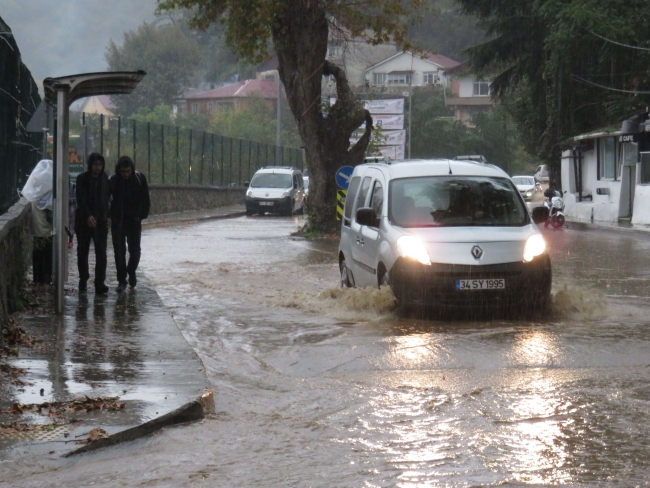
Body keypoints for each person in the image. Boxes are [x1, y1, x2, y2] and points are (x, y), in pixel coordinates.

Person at [110, 155, 150, 293]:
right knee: (119, 252)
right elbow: (108, 200)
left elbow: (146, 199)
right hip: (118, 221)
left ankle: (131, 270)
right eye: (123, 172)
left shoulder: (139, 179)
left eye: (128, 171)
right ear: (119, 170)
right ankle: (122, 280)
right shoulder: (113, 181)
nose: (126, 174)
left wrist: (141, 215)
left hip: (134, 221)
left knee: (135, 251)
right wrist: (110, 217)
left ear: (132, 169)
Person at [76, 152, 111, 293]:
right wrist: (88, 216)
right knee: (82, 252)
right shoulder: (82, 179)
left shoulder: (105, 179)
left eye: (100, 165)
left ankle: (100, 282)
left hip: (101, 221)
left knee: (101, 253)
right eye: (95, 164)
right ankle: (83, 279)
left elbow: (107, 199)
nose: (97, 167)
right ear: (90, 165)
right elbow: (81, 199)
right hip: (84, 221)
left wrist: (108, 216)